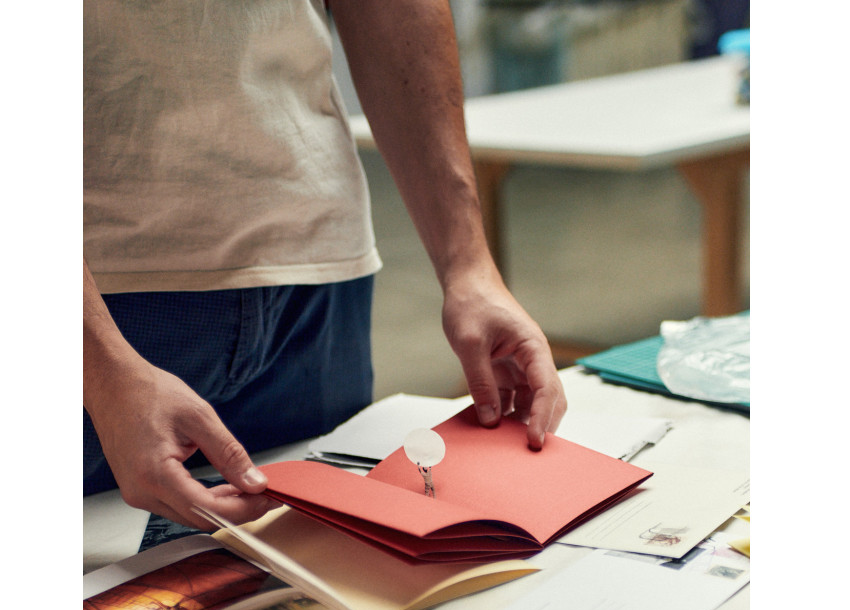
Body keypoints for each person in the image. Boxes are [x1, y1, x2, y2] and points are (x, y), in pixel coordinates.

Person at [84, 0, 567, 529]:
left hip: (318, 278)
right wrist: (102, 369)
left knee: (333, 564)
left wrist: (469, 267)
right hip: (109, 305)